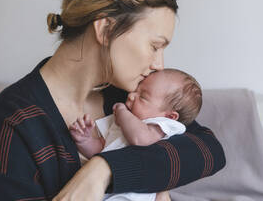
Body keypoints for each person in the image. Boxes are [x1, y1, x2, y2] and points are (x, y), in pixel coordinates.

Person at [0, 0, 225, 201]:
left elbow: (209, 149)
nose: (159, 65)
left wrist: (103, 169)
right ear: (105, 30)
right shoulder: (14, 121)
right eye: (155, 46)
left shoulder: (123, 94)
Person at [69, 69, 202, 201]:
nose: (131, 96)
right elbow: (101, 151)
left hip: (135, 195)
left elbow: (141, 139)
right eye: (136, 90)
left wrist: (122, 112)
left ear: (170, 116)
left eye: (143, 97)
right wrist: (84, 140)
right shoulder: (124, 121)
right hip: (108, 191)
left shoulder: (162, 125)